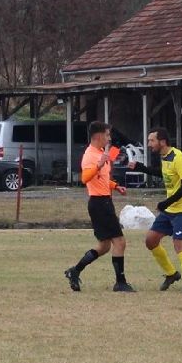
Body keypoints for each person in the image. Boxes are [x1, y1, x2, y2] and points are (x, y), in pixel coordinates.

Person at [65, 121, 135, 293]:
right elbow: (85, 178)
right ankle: (120, 282)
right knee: (120, 241)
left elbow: (101, 179)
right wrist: (98, 164)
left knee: (104, 246)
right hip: (99, 203)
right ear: (98, 136)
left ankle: (74, 271)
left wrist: (114, 186)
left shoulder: (101, 153)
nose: (109, 138)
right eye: (107, 134)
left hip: (103, 201)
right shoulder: (91, 155)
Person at [129, 127, 182, 292]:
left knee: (178, 243)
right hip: (170, 208)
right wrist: (141, 167)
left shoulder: (179, 158)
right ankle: (171, 274)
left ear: (162, 141)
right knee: (150, 241)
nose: (148, 144)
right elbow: (164, 175)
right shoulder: (165, 157)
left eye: (151, 140)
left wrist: (165, 203)